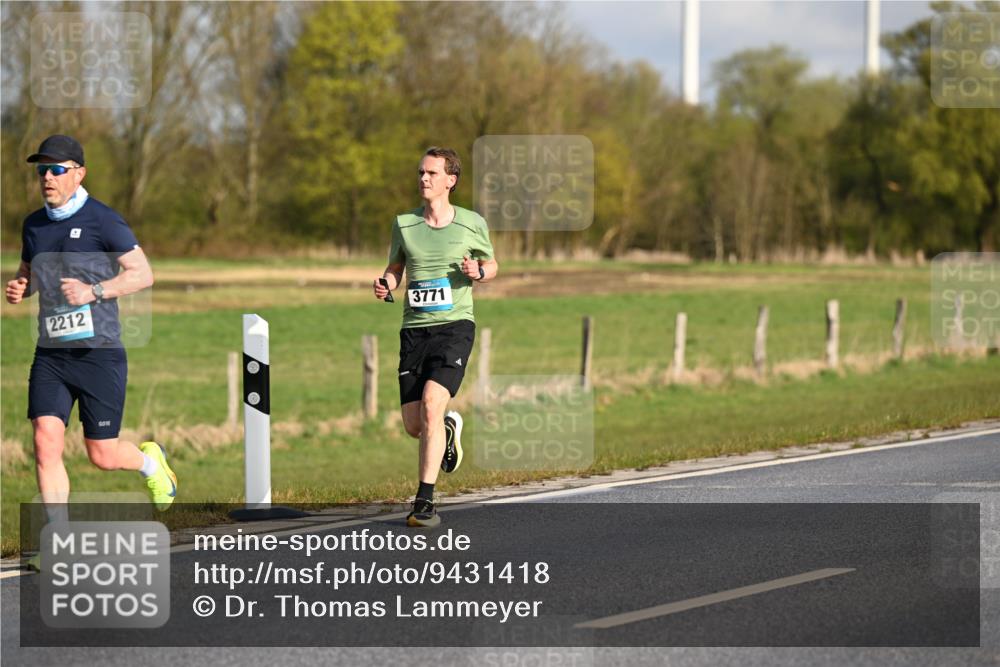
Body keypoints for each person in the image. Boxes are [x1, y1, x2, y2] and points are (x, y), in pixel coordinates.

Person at [5, 135, 178, 560]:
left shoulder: (104, 220)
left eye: (56, 169)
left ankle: (151, 462)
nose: (47, 177)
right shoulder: (34, 225)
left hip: (98, 354)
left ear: (79, 173)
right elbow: (30, 270)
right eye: (42, 170)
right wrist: (21, 286)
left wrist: (93, 291)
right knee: (45, 441)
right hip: (51, 354)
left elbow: (143, 274)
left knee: (101, 455)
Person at [374, 147, 498, 527]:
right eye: (421, 173)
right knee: (416, 425)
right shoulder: (404, 224)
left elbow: (492, 264)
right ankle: (446, 428)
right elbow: (396, 267)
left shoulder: (472, 223)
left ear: (450, 180)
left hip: (454, 327)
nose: (423, 179)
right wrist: (386, 283)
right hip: (414, 330)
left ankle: (424, 502)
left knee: (431, 403)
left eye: (431, 173)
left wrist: (478, 272)